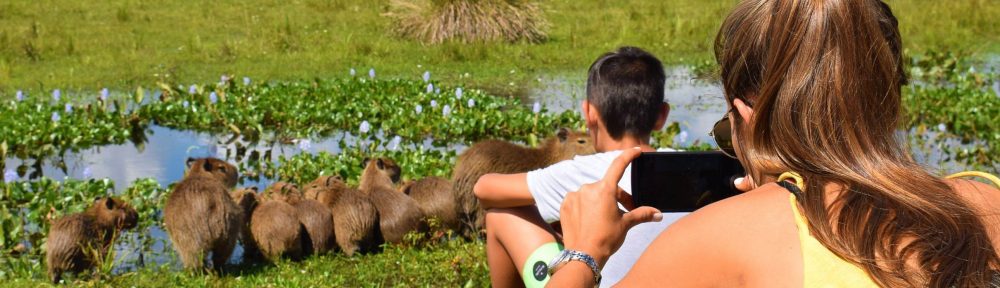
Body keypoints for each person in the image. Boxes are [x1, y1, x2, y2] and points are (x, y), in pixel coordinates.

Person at [548, 0, 1000, 287]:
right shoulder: (988, 205)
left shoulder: (719, 238)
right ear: (890, 96)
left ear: (748, 117)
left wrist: (582, 254)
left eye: (728, 136)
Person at [474, 46, 672, 287]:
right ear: (662, 115)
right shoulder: (691, 170)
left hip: (586, 279)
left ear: (589, 113)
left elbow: (483, 189)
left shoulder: (581, 171)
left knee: (502, 214)